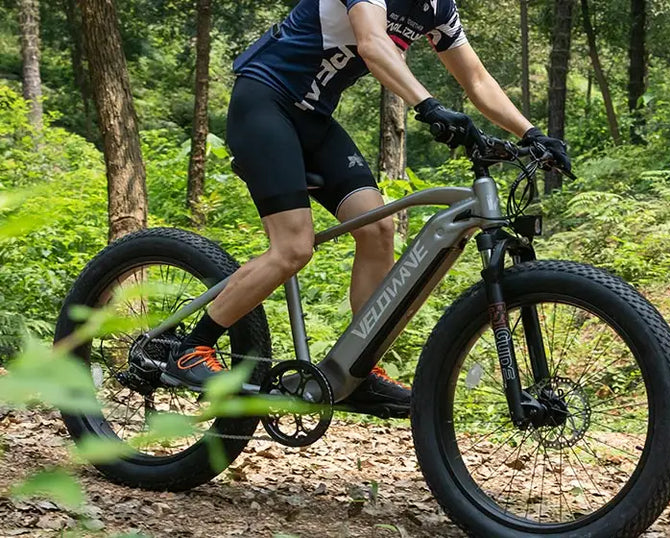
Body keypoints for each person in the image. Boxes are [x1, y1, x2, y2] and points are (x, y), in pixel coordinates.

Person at [162, 0, 571, 417]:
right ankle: (192, 348)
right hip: (264, 103)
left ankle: (355, 370)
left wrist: (532, 133)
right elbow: (373, 45)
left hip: (313, 120)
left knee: (378, 230)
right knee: (294, 248)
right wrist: (428, 106)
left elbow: (477, 79)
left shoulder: (439, 10)